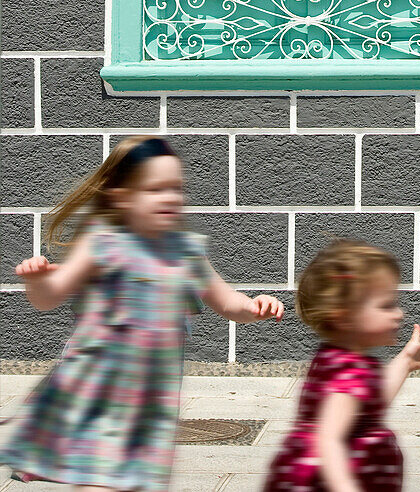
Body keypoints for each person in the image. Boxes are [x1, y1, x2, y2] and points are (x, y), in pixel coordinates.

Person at [0, 135, 285, 491]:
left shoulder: (186, 253)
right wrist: (38, 280)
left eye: (176, 188)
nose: (170, 197)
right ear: (121, 197)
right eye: (155, 189)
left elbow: (226, 302)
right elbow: (48, 298)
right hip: (96, 394)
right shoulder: (103, 245)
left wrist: (253, 305)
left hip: (150, 408)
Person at [263, 239, 420, 492]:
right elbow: (328, 440)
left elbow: (369, 404)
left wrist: (405, 362)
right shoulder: (347, 371)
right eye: (386, 306)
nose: (399, 314)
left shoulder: (338, 358)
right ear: (344, 316)